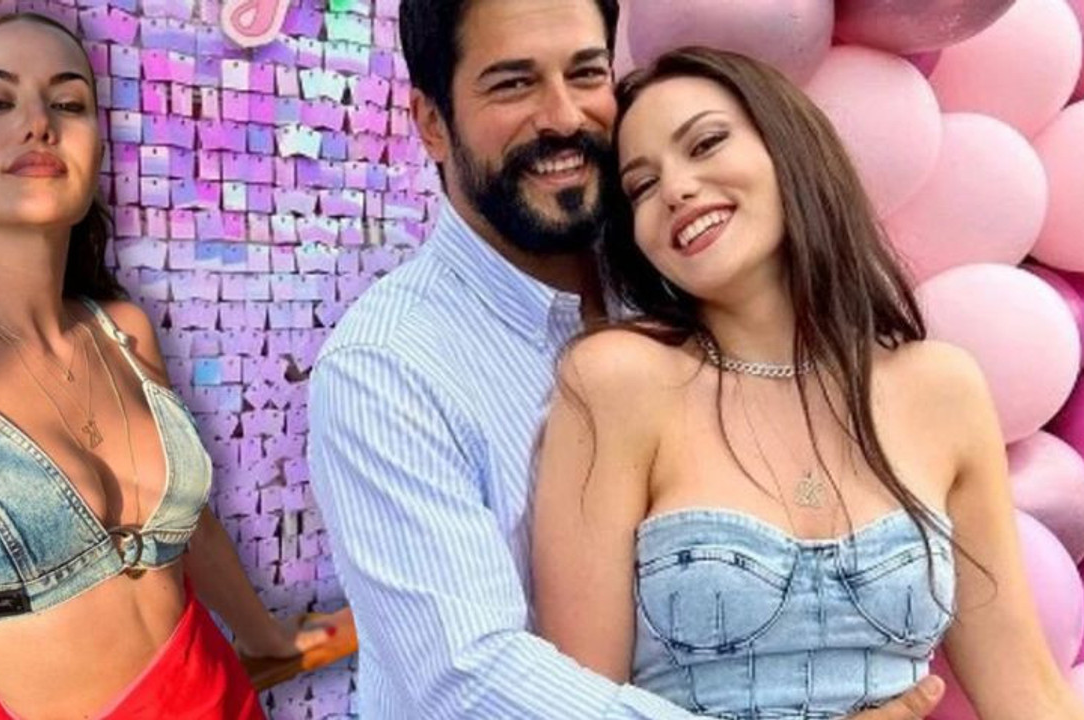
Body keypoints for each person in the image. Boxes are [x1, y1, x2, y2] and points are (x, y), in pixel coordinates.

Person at [308, 0, 944, 717]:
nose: (563, 117)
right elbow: (468, 677)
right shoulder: (385, 368)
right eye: (513, 83)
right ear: (431, 122)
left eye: (586, 73)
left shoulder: (685, 272)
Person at [532, 46, 1084, 718]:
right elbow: (575, 705)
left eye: (705, 144)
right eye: (641, 186)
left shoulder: (941, 388)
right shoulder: (617, 382)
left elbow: (1025, 690)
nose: (675, 189)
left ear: (788, 147)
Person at [0, 13, 329, 719]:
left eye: (68, 102)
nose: (38, 124)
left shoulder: (124, 331)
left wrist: (270, 638)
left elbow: (193, 529)